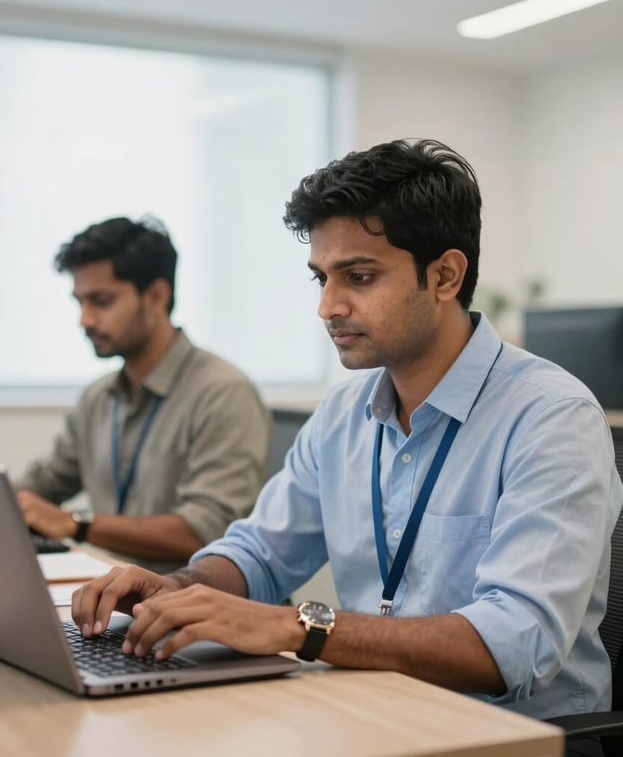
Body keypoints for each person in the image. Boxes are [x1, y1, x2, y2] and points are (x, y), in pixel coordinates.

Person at [71, 141, 623, 738]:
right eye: (321, 279)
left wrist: (297, 628)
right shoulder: (342, 414)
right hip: (370, 715)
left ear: (445, 275)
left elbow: (513, 643)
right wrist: (180, 588)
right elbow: (259, 554)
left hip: (511, 740)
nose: (327, 306)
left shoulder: (550, 418)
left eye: (359, 277)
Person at [15, 216, 270, 573]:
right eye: (80, 302)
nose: (85, 319)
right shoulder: (98, 397)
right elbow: (42, 484)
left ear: (156, 297)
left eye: (101, 301)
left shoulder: (223, 393)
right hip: (109, 590)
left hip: (187, 598)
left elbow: (206, 530)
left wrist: (76, 524)